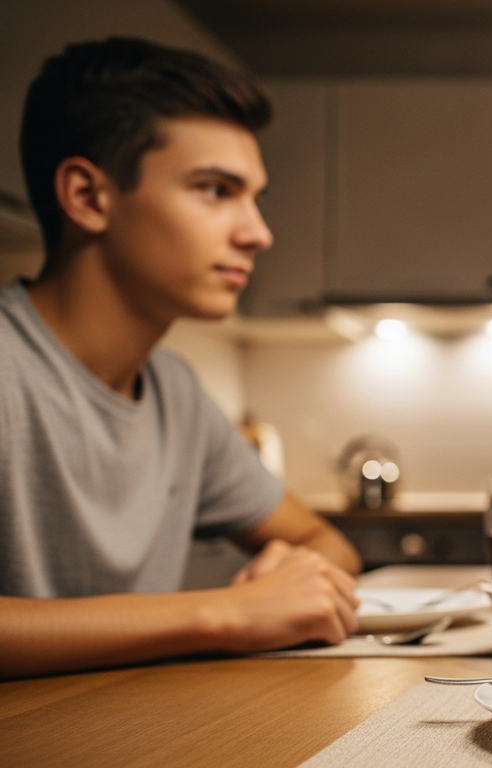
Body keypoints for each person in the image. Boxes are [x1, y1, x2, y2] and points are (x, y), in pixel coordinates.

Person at [0, 38, 363, 680]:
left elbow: (325, 542)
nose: (258, 233)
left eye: (253, 196)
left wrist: (292, 575)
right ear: (87, 196)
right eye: (215, 190)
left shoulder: (175, 391)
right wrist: (223, 614)